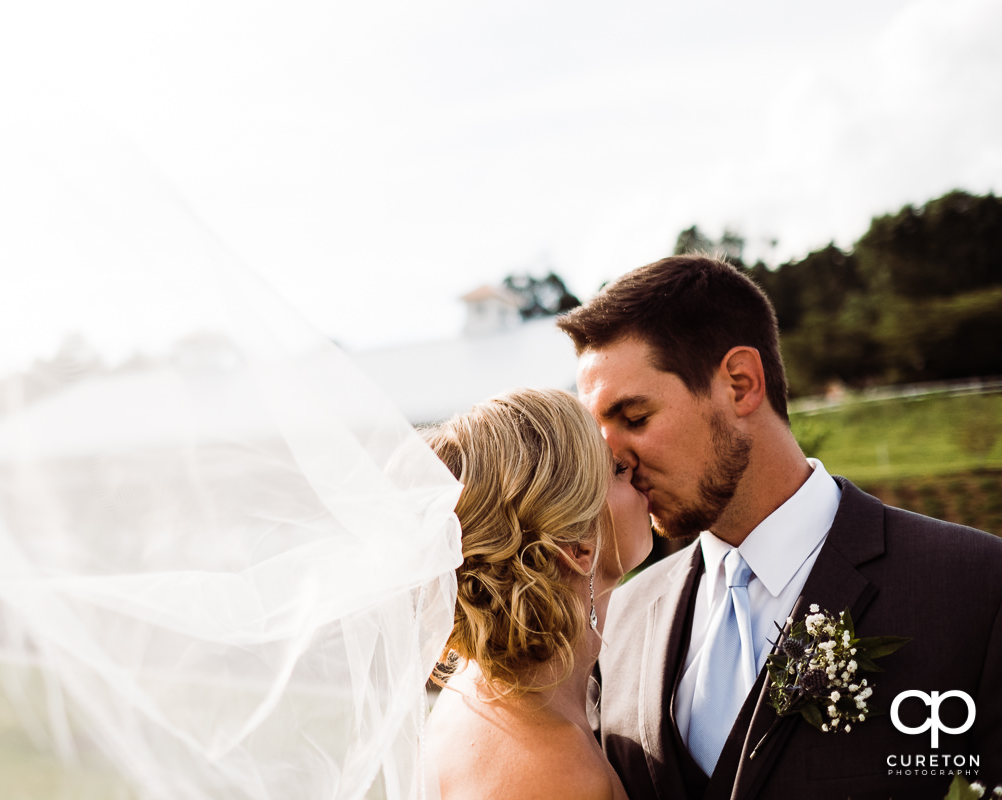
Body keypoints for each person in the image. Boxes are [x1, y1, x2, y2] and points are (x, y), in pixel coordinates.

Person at [556, 254, 1002, 800]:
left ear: (741, 384)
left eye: (635, 418)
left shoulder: (977, 587)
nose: (614, 462)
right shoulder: (616, 622)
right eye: (599, 435)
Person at [422, 387, 653, 800]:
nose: (636, 470)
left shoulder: (474, 691)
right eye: (617, 470)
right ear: (579, 548)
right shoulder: (557, 771)